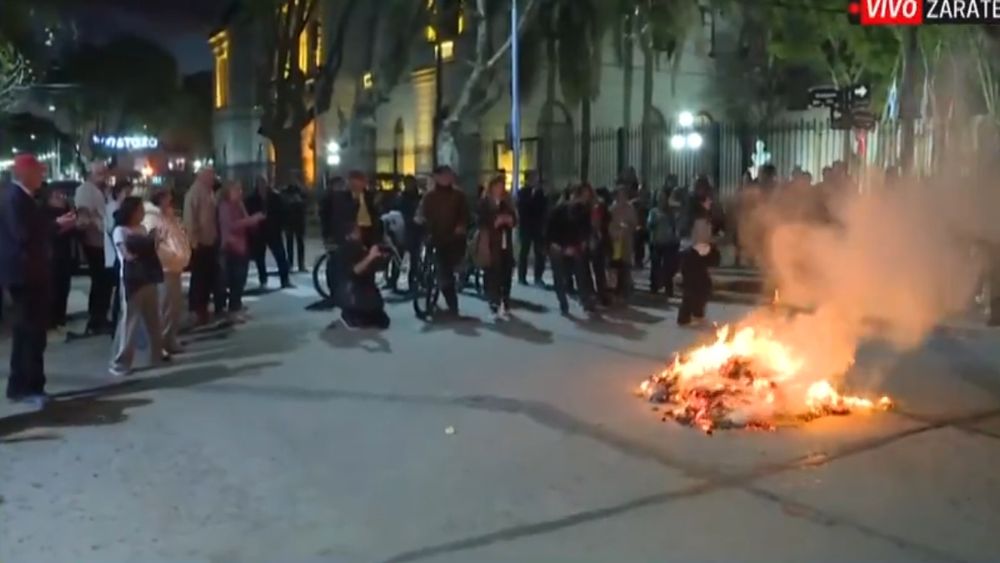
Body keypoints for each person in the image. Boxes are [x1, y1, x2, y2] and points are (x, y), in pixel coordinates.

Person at [1, 155, 73, 405]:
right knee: (30, 333)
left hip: (30, 274)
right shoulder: (14, 198)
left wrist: (53, 225)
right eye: (38, 172)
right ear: (25, 173)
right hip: (24, 276)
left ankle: (22, 385)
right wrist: (53, 225)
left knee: (28, 334)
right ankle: (28, 387)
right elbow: (22, 234)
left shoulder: (24, 198)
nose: (42, 176)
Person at [110, 196, 165, 376]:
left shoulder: (142, 229)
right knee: (130, 322)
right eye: (140, 210)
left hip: (148, 276)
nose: (142, 213)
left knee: (153, 319)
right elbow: (127, 255)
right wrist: (145, 245)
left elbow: (151, 249)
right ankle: (121, 362)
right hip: (132, 280)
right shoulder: (121, 230)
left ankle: (156, 354)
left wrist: (154, 241)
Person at [415, 165, 469, 317]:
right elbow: (421, 212)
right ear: (437, 178)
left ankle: (452, 301)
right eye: (444, 176)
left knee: (447, 269)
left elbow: (465, 215)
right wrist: (419, 220)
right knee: (440, 268)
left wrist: (461, 226)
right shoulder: (429, 196)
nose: (447, 178)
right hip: (434, 235)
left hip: (452, 238)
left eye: (449, 175)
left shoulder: (459, 196)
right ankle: (436, 292)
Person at [143, 189, 190, 354]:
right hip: (165, 266)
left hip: (175, 266)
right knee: (165, 307)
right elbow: (154, 243)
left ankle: (170, 339)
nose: (171, 199)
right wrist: (171, 254)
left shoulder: (167, 215)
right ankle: (160, 343)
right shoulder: (152, 218)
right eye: (167, 196)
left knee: (174, 307)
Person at [73, 161, 113, 334]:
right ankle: (96, 318)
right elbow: (83, 217)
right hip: (94, 242)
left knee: (105, 282)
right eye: (99, 173)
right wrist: (96, 222)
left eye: (104, 172)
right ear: (90, 174)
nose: (103, 176)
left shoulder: (104, 190)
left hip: (105, 241)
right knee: (100, 281)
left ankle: (101, 316)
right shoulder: (85, 190)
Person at [218, 180, 266, 322]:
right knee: (235, 280)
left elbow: (245, 221)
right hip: (232, 246)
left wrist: (252, 221)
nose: (240, 193)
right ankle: (232, 310)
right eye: (236, 190)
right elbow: (230, 226)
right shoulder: (225, 206)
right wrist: (252, 220)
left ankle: (236, 307)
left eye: (240, 190)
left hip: (242, 245)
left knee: (240, 279)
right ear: (228, 192)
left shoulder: (239, 204)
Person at [546, 185, 593, 315]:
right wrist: (560, 246)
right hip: (558, 246)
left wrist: (582, 243)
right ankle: (564, 303)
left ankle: (583, 300)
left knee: (580, 273)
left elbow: (585, 230)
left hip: (573, 245)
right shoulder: (559, 210)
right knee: (561, 275)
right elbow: (551, 230)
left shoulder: (583, 211)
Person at [184, 168, 222, 326]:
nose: (213, 178)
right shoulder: (194, 193)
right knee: (199, 278)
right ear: (202, 177)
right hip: (200, 242)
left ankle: (205, 307)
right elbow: (189, 219)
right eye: (210, 176)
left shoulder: (209, 192)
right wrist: (193, 241)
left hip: (210, 240)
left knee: (208, 277)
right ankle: (197, 309)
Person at [476, 175, 518, 320]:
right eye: (497, 186)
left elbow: (514, 218)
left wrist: (509, 220)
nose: (500, 189)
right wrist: (495, 222)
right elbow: (481, 221)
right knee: (492, 271)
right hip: (490, 241)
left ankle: (505, 299)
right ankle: (493, 299)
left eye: (502, 186)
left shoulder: (507, 202)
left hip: (505, 240)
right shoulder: (484, 203)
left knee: (506, 270)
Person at [335, 223, 391, 330]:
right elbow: (355, 271)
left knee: (382, 322)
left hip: (367, 297)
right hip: (353, 298)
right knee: (361, 321)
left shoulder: (361, 247)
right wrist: (370, 257)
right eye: (356, 231)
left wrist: (382, 257)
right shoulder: (345, 250)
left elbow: (374, 269)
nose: (361, 233)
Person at [677, 192, 721, 327]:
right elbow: (700, 242)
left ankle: (693, 314)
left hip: (690, 255)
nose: (710, 203)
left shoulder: (696, 218)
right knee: (698, 287)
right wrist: (713, 245)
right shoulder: (700, 220)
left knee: (697, 286)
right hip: (693, 255)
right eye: (708, 201)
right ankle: (688, 316)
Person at [245, 176, 293, 289]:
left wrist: (280, 225)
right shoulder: (252, 199)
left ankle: (284, 279)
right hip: (259, 231)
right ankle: (263, 279)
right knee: (259, 257)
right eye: (260, 184)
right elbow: (248, 212)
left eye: (264, 184)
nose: (262, 186)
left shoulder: (275, 197)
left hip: (273, 230)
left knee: (280, 255)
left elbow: (283, 212)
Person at [45, 187, 77, 332]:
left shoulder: (68, 211)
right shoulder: (44, 213)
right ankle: (51, 318)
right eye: (57, 196)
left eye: (63, 195)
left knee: (64, 285)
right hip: (51, 254)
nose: (61, 198)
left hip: (65, 252)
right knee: (53, 286)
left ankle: (61, 315)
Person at [106, 180, 134, 329]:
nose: (129, 195)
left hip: (121, 254)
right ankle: (116, 321)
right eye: (126, 192)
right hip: (116, 254)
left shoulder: (128, 209)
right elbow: (111, 229)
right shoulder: (113, 209)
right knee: (119, 290)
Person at [516, 170, 547, 286]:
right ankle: (521, 276)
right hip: (526, 226)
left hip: (538, 226)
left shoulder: (541, 193)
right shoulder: (522, 192)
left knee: (540, 253)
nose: (536, 180)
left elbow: (544, 208)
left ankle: (538, 277)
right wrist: (533, 195)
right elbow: (523, 208)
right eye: (534, 178)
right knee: (524, 251)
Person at [647, 191, 679, 298]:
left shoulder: (670, 213)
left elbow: (675, 227)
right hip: (656, 242)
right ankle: (654, 287)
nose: (662, 201)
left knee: (668, 267)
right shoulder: (653, 212)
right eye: (660, 198)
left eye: (664, 198)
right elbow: (649, 225)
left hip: (668, 243)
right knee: (655, 265)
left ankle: (668, 288)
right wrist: (656, 221)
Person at [609, 185, 638, 300]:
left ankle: (625, 289)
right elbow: (608, 224)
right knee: (615, 265)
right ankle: (614, 289)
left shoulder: (630, 208)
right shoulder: (612, 208)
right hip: (615, 241)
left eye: (623, 195)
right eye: (619, 195)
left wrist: (629, 226)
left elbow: (635, 223)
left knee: (626, 264)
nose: (622, 197)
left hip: (626, 240)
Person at [398, 174, 424, 289]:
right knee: (401, 255)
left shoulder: (419, 196)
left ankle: (414, 279)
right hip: (407, 228)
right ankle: (408, 278)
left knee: (414, 256)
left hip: (415, 229)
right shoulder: (402, 197)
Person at [283, 174, 307, 272]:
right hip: (289, 220)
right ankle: (290, 263)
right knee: (290, 243)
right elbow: (282, 203)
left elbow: (307, 202)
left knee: (300, 242)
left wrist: (300, 201)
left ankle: (301, 264)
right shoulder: (285, 191)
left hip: (299, 220)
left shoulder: (301, 191)